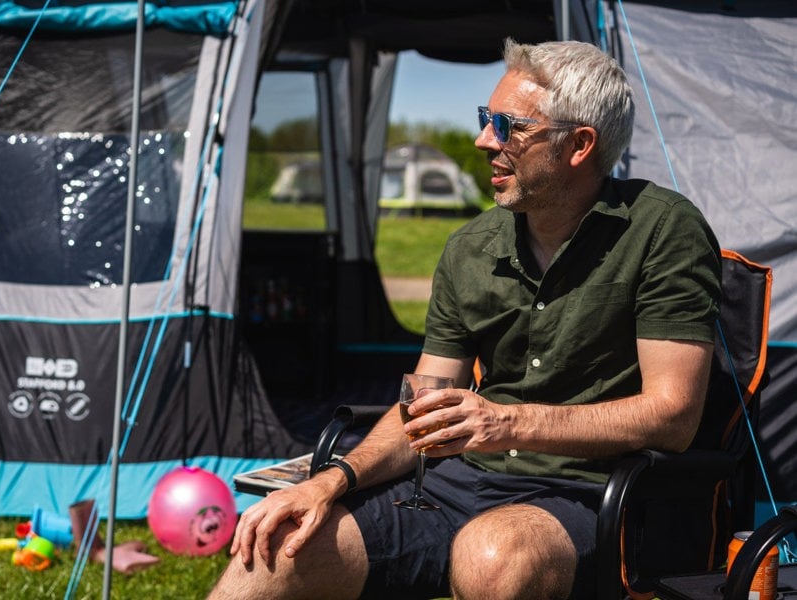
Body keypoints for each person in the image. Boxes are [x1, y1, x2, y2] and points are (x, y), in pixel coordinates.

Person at [209, 38, 721, 600]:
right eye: (486, 119)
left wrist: (503, 423)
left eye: (508, 125)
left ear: (579, 145)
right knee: (283, 541)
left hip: (593, 493)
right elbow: (424, 407)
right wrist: (331, 480)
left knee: (493, 555)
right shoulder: (469, 247)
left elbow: (674, 416)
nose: (483, 141)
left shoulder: (663, 230)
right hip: (458, 485)